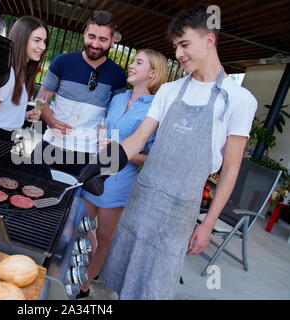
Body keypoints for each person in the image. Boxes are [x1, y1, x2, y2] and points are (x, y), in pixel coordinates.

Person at [78, 4, 257, 299]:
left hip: (179, 210)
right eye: (176, 46)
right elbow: (137, 139)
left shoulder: (238, 100)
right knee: (120, 276)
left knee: (153, 284)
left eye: (185, 44)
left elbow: (231, 169)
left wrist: (209, 223)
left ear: (209, 40)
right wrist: (101, 165)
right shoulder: (170, 90)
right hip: (143, 195)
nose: (179, 54)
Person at [77, 49, 168, 298]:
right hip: (94, 172)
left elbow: (151, 157)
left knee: (104, 237)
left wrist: (117, 150)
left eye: (138, 63)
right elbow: (104, 126)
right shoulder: (118, 98)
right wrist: (100, 137)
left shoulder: (155, 109)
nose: (131, 66)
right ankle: (73, 273)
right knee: (81, 229)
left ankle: (84, 287)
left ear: (152, 73)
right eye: (133, 61)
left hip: (118, 183)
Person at [33, 10, 127, 177]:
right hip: (51, 144)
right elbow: (41, 99)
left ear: (112, 40)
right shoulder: (62, 62)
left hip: (87, 153)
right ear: (84, 33)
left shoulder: (118, 75)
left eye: (103, 39)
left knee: (68, 200)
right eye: (91, 36)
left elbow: (115, 116)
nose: (95, 44)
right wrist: (51, 121)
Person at [0, 16, 48, 141]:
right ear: (22, 39)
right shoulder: (8, 73)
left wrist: (25, 115)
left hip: (12, 135)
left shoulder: (21, 72)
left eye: (44, 41)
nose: (43, 46)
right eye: (37, 40)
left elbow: (5, 113)